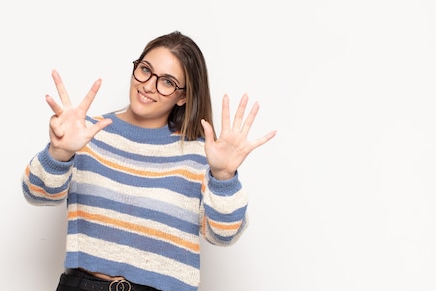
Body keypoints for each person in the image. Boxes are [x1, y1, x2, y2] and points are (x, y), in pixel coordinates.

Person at [21, 31, 276, 291]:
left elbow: (223, 235)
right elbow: (36, 194)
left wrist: (223, 176)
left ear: (183, 96)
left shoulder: (202, 154)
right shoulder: (86, 133)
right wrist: (59, 152)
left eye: (167, 82)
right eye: (145, 70)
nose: (148, 85)